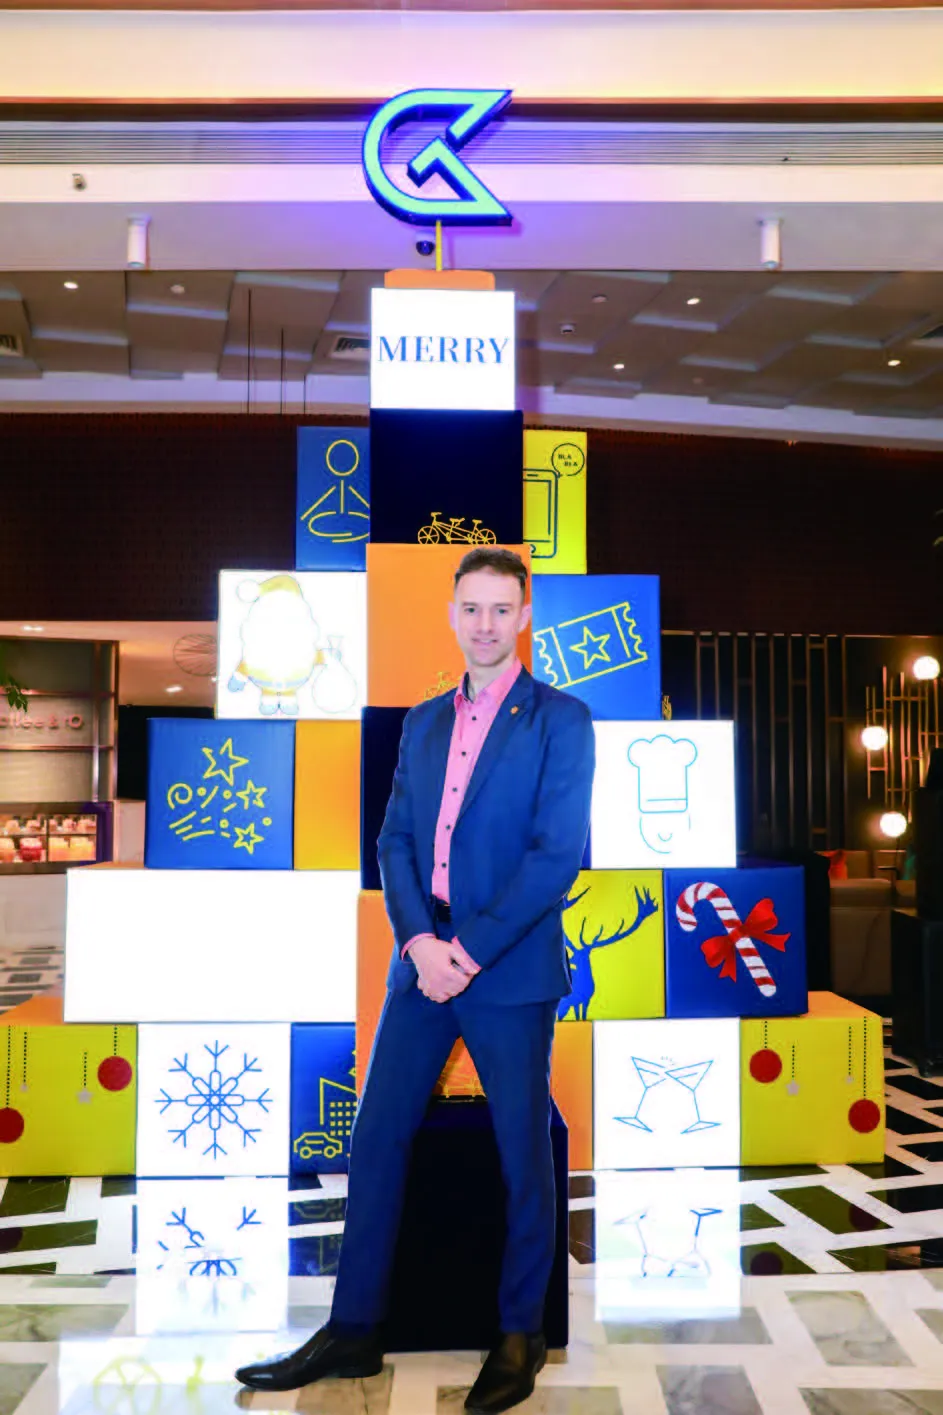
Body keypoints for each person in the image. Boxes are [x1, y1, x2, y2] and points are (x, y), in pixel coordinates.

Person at [236, 546, 595, 1415]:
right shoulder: (424, 721)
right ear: (451, 614)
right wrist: (419, 942)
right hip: (422, 960)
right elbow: (393, 838)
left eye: (500, 608)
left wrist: (465, 951)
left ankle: (520, 1335)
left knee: (522, 1154)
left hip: (504, 968)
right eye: (471, 607)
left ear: (523, 616)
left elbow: (556, 856)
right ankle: (354, 1327)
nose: (484, 624)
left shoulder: (561, 718)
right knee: (376, 1137)